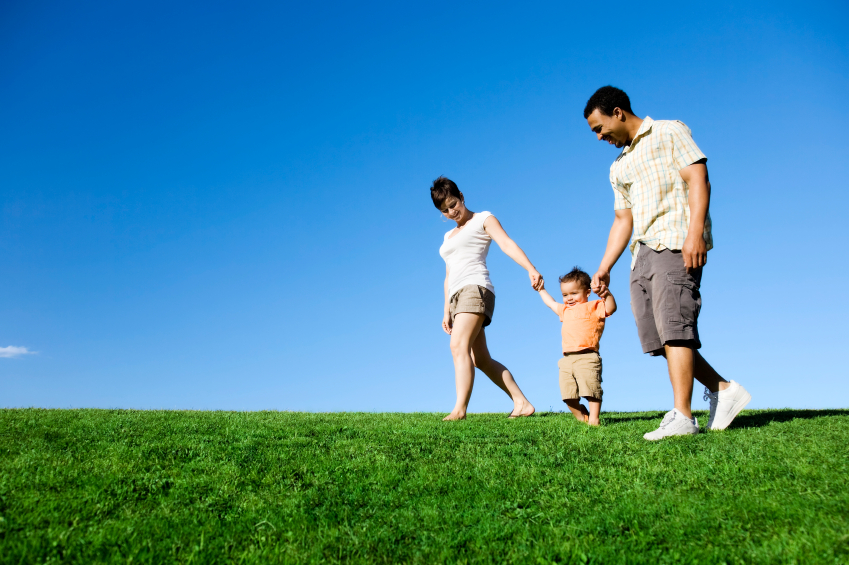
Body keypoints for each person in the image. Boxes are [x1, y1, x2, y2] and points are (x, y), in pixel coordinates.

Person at [583, 86, 751, 440]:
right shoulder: (618, 166)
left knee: (676, 326)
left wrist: (694, 235)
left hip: (675, 241)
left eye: (599, 128)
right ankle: (722, 389)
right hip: (640, 254)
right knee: (658, 339)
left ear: (617, 112)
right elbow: (622, 221)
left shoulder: (668, 130)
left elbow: (698, 179)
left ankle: (682, 417)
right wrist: (604, 266)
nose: (599, 137)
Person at [432, 176, 540, 421]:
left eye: (453, 205)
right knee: (480, 359)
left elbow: (506, 243)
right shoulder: (448, 237)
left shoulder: (483, 218)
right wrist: (446, 310)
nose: (451, 212)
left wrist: (530, 268)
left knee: (458, 346)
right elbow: (448, 275)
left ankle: (459, 409)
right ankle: (522, 403)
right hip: (457, 296)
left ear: (462, 197)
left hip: (476, 288)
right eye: (444, 210)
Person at [537, 267, 616, 426]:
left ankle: (594, 419)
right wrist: (541, 289)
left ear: (587, 292)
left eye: (574, 293)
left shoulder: (594, 306)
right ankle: (582, 417)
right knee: (568, 395)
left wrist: (606, 294)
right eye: (565, 295)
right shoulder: (565, 310)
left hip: (587, 356)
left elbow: (611, 308)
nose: (569, 298)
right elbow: (551, 303)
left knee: (591, 390)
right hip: (567, 359)